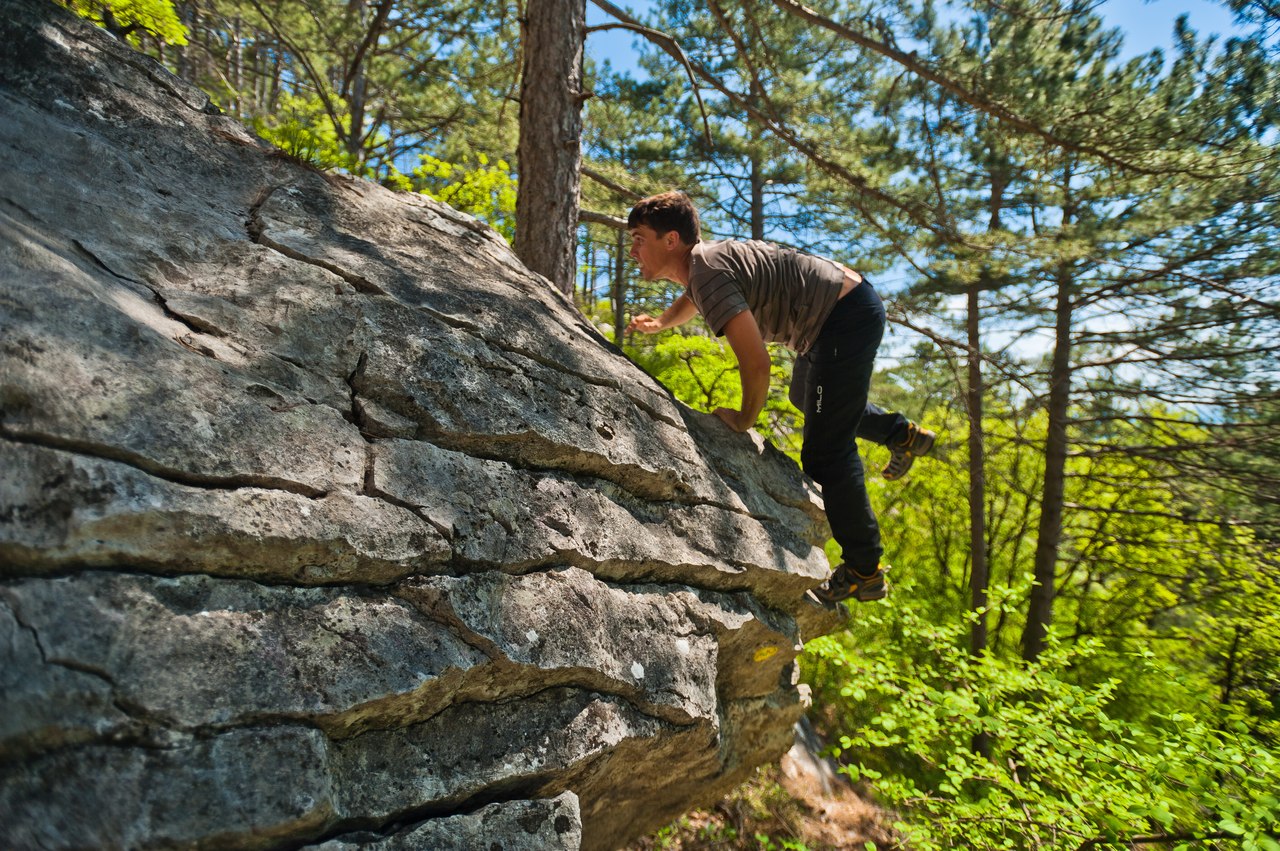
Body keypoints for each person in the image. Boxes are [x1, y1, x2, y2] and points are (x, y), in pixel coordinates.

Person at [625, 191, 935, 604]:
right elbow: (692, 298)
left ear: (670, 240)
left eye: (639, 238)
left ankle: (865, 569)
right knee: (806, 396)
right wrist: (661, 323)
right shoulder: (702, 267)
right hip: (842, 310)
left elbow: (756, 364)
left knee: (826, 453)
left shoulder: (708, 272)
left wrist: (743, 419)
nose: (633, 250)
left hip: (842, 318)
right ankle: (901, 434)